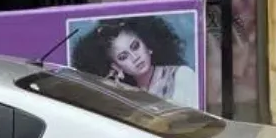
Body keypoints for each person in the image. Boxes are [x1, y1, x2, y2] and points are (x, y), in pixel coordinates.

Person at [70, 16, 199, 107]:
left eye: (135, 46)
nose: (134, 57)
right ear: (115, 66)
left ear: (147, 43)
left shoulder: (181, 76)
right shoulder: (124, 93)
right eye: (123, 56)